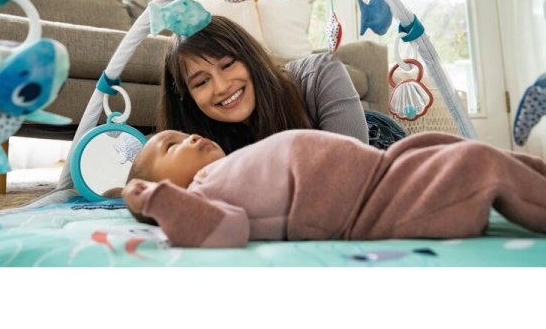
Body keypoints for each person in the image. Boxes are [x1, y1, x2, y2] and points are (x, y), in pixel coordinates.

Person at [122, 128, 546, 248]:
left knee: (459, 147)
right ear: (167, 187)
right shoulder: (201, 196)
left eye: (184, 134)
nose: (192, 138)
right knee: (479, 165)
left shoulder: (228, 166)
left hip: (381, 170)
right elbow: (227, 230)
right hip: (374, 208)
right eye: (172, 146)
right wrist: (162, 203)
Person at [157, 15, 376, 154]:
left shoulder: (320, 74)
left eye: (228, 65)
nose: (222, 87)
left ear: (250, 57)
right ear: (187, 97)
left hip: (374, 143)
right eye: (202, 82)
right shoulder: (195, 141)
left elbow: (350, 172)